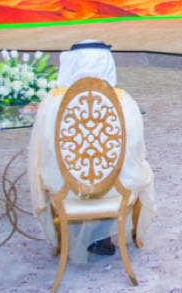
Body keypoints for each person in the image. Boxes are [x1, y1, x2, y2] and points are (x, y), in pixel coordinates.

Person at [28, 41, 156, 262]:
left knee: (51, 169)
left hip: (66, 189)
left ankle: (75, 234)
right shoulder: (123, 100)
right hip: (115, 189)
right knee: (135, 170)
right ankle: (103, 234)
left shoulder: (52, 102)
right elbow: (136, 149)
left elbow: (42, 151)